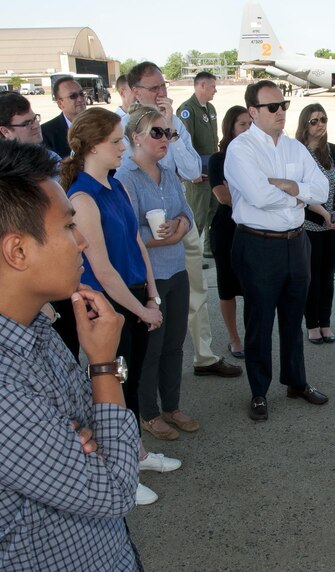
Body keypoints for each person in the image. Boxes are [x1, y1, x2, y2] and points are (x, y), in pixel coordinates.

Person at [0, 138, 144, 572]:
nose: (81, 240)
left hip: (106, 568)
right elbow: (115, 491)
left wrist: (84, 437)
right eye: (67, 226)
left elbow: (93, 436)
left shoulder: (31, 324)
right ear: (16, 251)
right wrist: (102, 367)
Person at [60, 107, 177, 506]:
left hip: (133, 297)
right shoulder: (81, 197)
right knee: (113, 390)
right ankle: (121, 472)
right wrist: (142, 310)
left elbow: (138, 243)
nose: (123, 148)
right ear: (94, 146)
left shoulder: (116, 185)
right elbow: (102, 269)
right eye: (115, 142)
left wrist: (151, 294)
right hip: (109, 305)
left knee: (132, 379)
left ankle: (137, 454)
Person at [126, 61, 241, 379]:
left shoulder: (175, 123)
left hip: (179, 214)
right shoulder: (124, 127)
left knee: (196, 290)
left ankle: (203, 356)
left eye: (163, 86)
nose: (162, 92)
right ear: (136, 92)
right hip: (143, 228)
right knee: (150, 295)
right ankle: (148, 368)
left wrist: (170, 128)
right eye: (154, 88)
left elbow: (191, 171)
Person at [225, 80, 329, 421]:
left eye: (283, 104)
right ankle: (258, 391)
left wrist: (288, 186)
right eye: (273, 107)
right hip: (258, 245)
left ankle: (296, 382)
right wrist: (301, 194)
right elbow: (258, 195)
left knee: (292, 317)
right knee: (259, 321)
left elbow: (323, 187)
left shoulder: (294, 148)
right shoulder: (241, 149)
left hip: (296, 243)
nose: (281, 111)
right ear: (253, 112)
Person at [116, 105, 197, 441]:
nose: (165, 138)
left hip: (177, 270)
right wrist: (156, 238)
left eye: (168, 132)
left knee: (175, 344)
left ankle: (172, 406)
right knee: (151, 348)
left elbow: (188, 213)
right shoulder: (126, 179)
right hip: (150, 278)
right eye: (157, 132)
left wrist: (180, 227)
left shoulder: (167, 173)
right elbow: (126, 234)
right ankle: (148, 413)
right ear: (135, 136)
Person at [295, 103, 335, 344]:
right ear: (305, 126)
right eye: (314, 121)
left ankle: (325, 322)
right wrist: (325, 214)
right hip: (311, 227)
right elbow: (302, 192)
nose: (320, 124)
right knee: (312, 276)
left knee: (328, 276)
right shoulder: (299, 153)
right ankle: (312, 324)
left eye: (323, 119)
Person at [208, 106, 250, 358]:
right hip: (227, 231)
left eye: (250, 124)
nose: (247, 129)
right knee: (227, 288)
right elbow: (223, 197)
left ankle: (252, 333)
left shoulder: (258, 156)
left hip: (253, 231)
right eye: (242, 124)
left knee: (253, 287)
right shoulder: (218, 159)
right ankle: (234, 338)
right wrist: (253, 195)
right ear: (231, 128)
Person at [177, 71, 219, 256]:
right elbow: (185, 144)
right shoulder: (187, 110)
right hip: (198, 174)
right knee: (198, 218)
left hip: (212, 171)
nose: (215, 90)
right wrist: (190, 173)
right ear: (202, 85)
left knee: (214, 212)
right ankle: (191, 257)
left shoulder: (210, 109)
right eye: (212, 86)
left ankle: (209, 248)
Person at [41, 75, 87, 158]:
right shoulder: (46, 133)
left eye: (81, 94)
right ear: (60, 103)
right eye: (73, 96)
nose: (80, 99)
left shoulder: (99, 124)